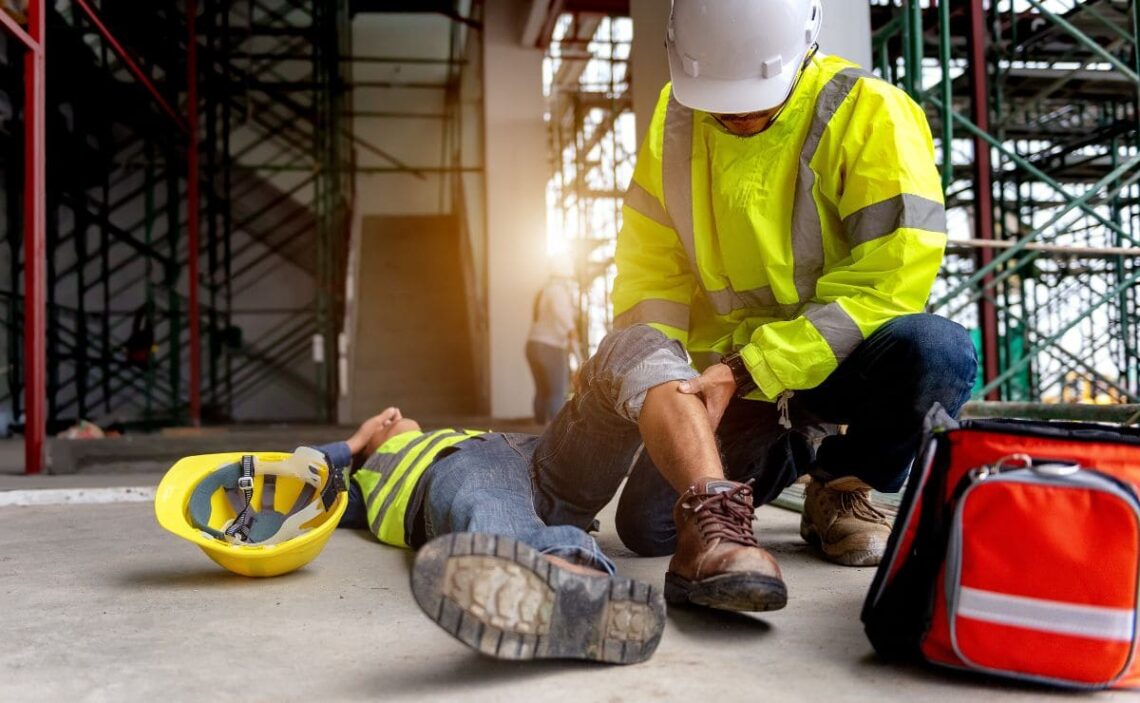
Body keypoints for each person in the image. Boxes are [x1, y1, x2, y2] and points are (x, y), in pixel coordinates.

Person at [525, 0, 977, 607]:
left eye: (755, 101)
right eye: (721, 101)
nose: (737, 115)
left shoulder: (872, 114)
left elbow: (887, 282)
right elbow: (651, 270)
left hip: (832, 365)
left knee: (938, 350)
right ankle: (796, 448)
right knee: (650, 529)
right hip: (728, 382)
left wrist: (749, 369)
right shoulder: (675, 120)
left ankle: (844, 484)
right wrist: (666, 387)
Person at [323, 408, 666, 665]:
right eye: (380, 422)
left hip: (530, 457)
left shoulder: (443, 434)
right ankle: (571, 577)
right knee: (488, 500)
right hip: (465, 471)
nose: (391, 416)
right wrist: (352, 443)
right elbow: (293, 481)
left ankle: (563, 581)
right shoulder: (362, 480)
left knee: (605, 390)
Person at [525, 270, 578, 424]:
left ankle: (537, 429)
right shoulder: (557, 290)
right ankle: (557, 434)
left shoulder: (545, 290)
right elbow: (560, 311)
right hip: (550, 346)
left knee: (542, 392)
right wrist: (571, 329)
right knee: (557, 393)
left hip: (533, 345)